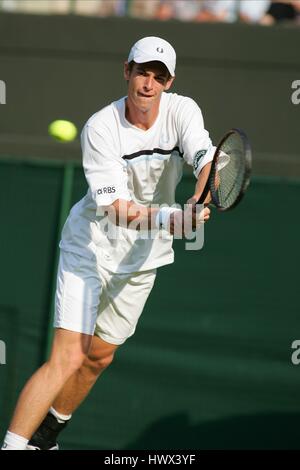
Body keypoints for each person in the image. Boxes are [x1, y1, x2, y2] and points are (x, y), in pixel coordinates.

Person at [1, 36, 214, 451]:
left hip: (142, 259)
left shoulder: (183, 111)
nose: (148, 84)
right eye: (142, 73)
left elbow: (206, 161)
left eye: (158, 77)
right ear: (126, 71)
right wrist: (176, 217)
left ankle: (45, 439)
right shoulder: (101, 127)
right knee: (69, 356)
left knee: (99, 357)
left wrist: (199, 198)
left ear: (169, 83)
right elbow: (116, 208)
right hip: (91, 249)